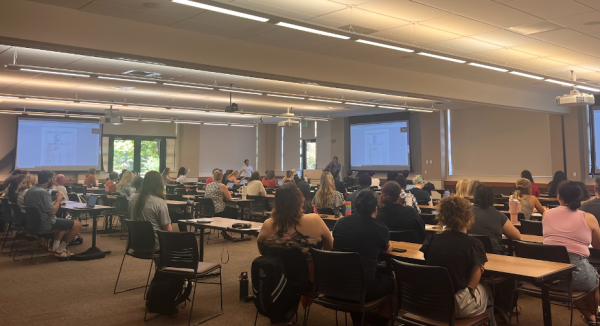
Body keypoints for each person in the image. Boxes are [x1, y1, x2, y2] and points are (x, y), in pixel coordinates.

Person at [420, 195, 495, 325]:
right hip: (457, 304)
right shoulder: (474, 244)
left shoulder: (431, 240)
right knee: (487, 289)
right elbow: (474, 282)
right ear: (468, 216)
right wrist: (477, 272)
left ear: (442, 216)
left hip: (431, 300)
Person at [332, 190, 395, 326]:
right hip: (363, 289)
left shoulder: (340, 223)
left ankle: (361, 320)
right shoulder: (380, 228)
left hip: (333, 286)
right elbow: (386, 248)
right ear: (375, 209)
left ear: (355, 206)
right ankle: (378, 322)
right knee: (395, 283)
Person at [543, 181, 600, 325]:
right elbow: (598, 245)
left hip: (549, 275)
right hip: (577, 274)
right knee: (594, 282)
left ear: (558, 196)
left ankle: (591, 318)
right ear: (580, 196)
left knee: (574, 286)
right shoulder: (588, 217)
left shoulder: (546, 214)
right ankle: (594, 316)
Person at [257, 182, 333, 260]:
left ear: (276, 203)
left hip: (277, 271)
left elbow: (262, 251)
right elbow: (330, 246)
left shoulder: (268, 224)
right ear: (300, 200)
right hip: (311, 271)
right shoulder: (314, 219)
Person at [24, 170, 83, 258]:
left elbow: (42, 206)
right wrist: (59, 198)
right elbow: (52, 212)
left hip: (34, 223)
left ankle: (55, 249)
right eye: (52, 179)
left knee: (62, 224)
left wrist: (52, 201)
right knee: (77, 224)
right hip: (46, 223)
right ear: (48, 179)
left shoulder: (30, 191)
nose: (53, 181)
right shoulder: (43, 192)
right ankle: (61, 249)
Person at [469, 185, 521, 254]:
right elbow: (517, 236)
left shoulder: (465, 213)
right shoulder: (498, 215)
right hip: (493, 253)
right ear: (492, 199)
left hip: (469, 254)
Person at [128, 171, 172, 251]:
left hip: (136, 243)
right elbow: (168, 229)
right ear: (160, 185)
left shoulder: (132, 200)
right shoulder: (159, 202)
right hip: (155, 245)